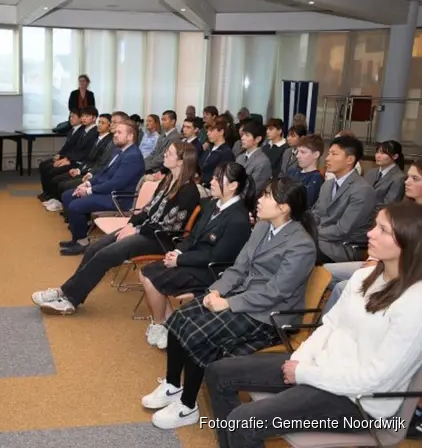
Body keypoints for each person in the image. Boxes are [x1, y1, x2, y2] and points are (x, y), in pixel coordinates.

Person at [204, 201, 422, 448]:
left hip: (357, 402)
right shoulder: (364, 277)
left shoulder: (415, 303)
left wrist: (305, 373)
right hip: (321, 368)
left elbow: (375, 379)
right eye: (375, 226)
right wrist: (301, 359)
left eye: (383, 230)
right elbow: (329, 325)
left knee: (243, 422)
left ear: (408, 241)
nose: (370, 233)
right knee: (218, 372)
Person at [141, 177, 317, 430]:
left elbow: (275, 293)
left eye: (267, 195)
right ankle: (172, 386)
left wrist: (229, 303)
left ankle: (188, 406)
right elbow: (239, 268)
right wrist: (215, 291)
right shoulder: (261, 228)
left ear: (284, 207)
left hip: (271, 316)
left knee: (197, 333)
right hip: (243, 298)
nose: (259, 199)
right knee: (179, 319)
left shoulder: (301, 244)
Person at [33, 142, 201, 314]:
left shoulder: (188, 191)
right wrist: (131, 224)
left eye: (170, 153)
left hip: (160, 239)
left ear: (181, 161)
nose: (165, 154)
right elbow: (147, 210)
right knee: (94, 248)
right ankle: (66, 291)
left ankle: (69, 298)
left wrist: (136, 230)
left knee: (106, 255)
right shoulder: (168, 180)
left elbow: (168, 226)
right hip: (145, 230)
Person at [139, 161, 255, 349]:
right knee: (145, 273)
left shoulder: (238, 218)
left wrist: (180, 260)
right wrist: (177, 252)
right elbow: (193, 236)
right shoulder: (211, 205)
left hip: (210, 270)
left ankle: (162, 325)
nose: (211, 181)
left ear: (233, 186)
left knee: (151, 278)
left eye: (218, 179)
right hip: (193, 260)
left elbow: (217, 257)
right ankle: (169, 326)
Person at [322, 158, 422, 312]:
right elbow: (386, 237)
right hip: (383, 262)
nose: (407, 182)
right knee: (325, 272)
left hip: (405, 273)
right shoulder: (405, 208)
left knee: (343, 288)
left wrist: (379, 264)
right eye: (408, 177)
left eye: (415, 179)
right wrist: (374, 258)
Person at [58, 121, 144, 255]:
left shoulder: (132, 156)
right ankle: (77, 238)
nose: (115, 135)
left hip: (118, 198)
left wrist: (88, 191)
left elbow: (116, 183)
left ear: (130, 137)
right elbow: (104, 173)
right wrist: (88, 183)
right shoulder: (121, 151)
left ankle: (82, 243)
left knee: (76, 205)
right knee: (68, 195)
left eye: (119, 132)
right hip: (109, 192)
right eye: (115, 132)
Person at [312, 135, 375, 264]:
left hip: (344, 247)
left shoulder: (362, 190)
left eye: (334, 154)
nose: (327, 158)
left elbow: (343, 229)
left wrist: (312, 232)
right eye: (328, 153)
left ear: (350, 159)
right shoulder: (327, 185)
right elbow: (316, 214)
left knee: (299, 251)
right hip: (322, 239)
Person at [364, 140, 406, 211]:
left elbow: (389, 205)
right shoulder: (371, 172)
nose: (378, 156)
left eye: (383, 153)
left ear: (395, 156)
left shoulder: (399, 178)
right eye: (377, 152)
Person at [287, 134, 324, 208]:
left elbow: (307, 205)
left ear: (316, 155)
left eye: (303, 152)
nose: (297, 156)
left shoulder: (316, 179)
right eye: (298, 152)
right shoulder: (292, 172)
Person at [235, 121, 272, 196]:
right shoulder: (240, 157)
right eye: (243, 135)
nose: (242, 138)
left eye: (247, 135)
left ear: (258, 139)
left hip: (248, 203)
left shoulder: (263, 162)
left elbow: (252, 191)